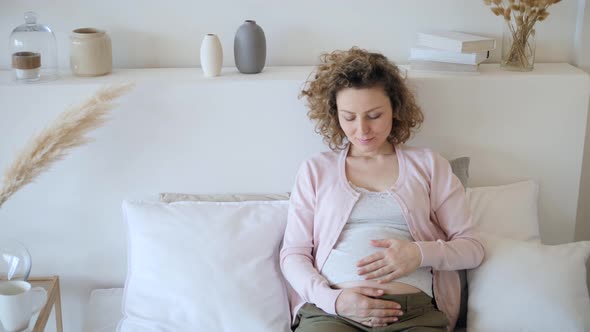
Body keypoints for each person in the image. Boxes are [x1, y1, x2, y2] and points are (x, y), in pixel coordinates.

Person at [279, 47, 484, 332]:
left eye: (374, 115)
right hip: (333, 314)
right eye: (349, 117)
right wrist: (333, 300)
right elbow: (293, 255)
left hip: (414, 315)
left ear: (395, 109)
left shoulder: (428, 164)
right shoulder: (316, 170)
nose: (362, 130)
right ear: (334, 114)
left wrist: (418, 254)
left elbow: (472, 249)